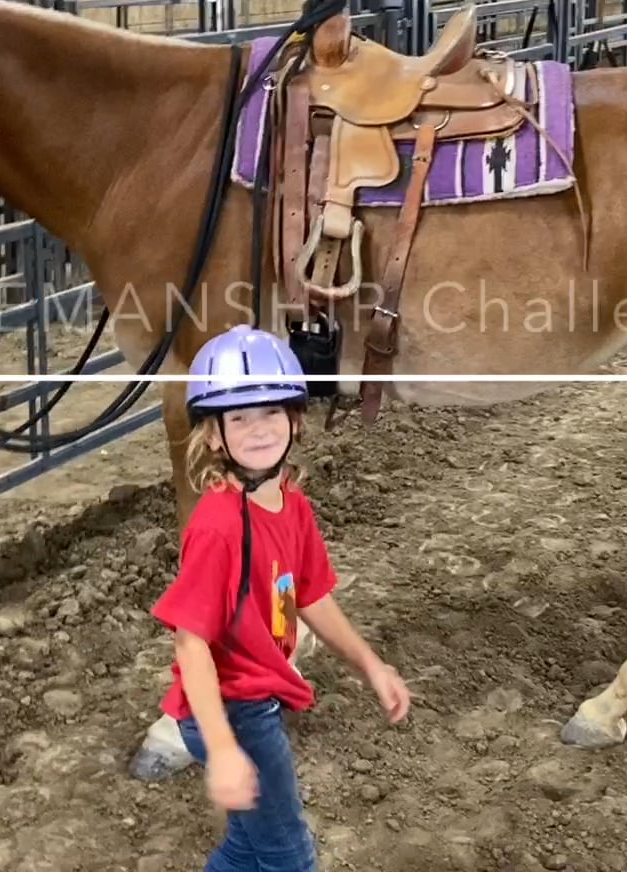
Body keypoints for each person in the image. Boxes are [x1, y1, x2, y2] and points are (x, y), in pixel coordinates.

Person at [151, 325, 412, 872]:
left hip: (249, 701)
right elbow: (191, 644)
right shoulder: (220, 526)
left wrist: (371, 665)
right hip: (231, 710)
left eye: (271, 411)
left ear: (295, 419)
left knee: (249, 848)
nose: (258, 428)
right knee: (289, 856)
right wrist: (223, 749)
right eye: (239, 417)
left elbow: (311, 596)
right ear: (216, 436)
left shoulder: (292, 507)